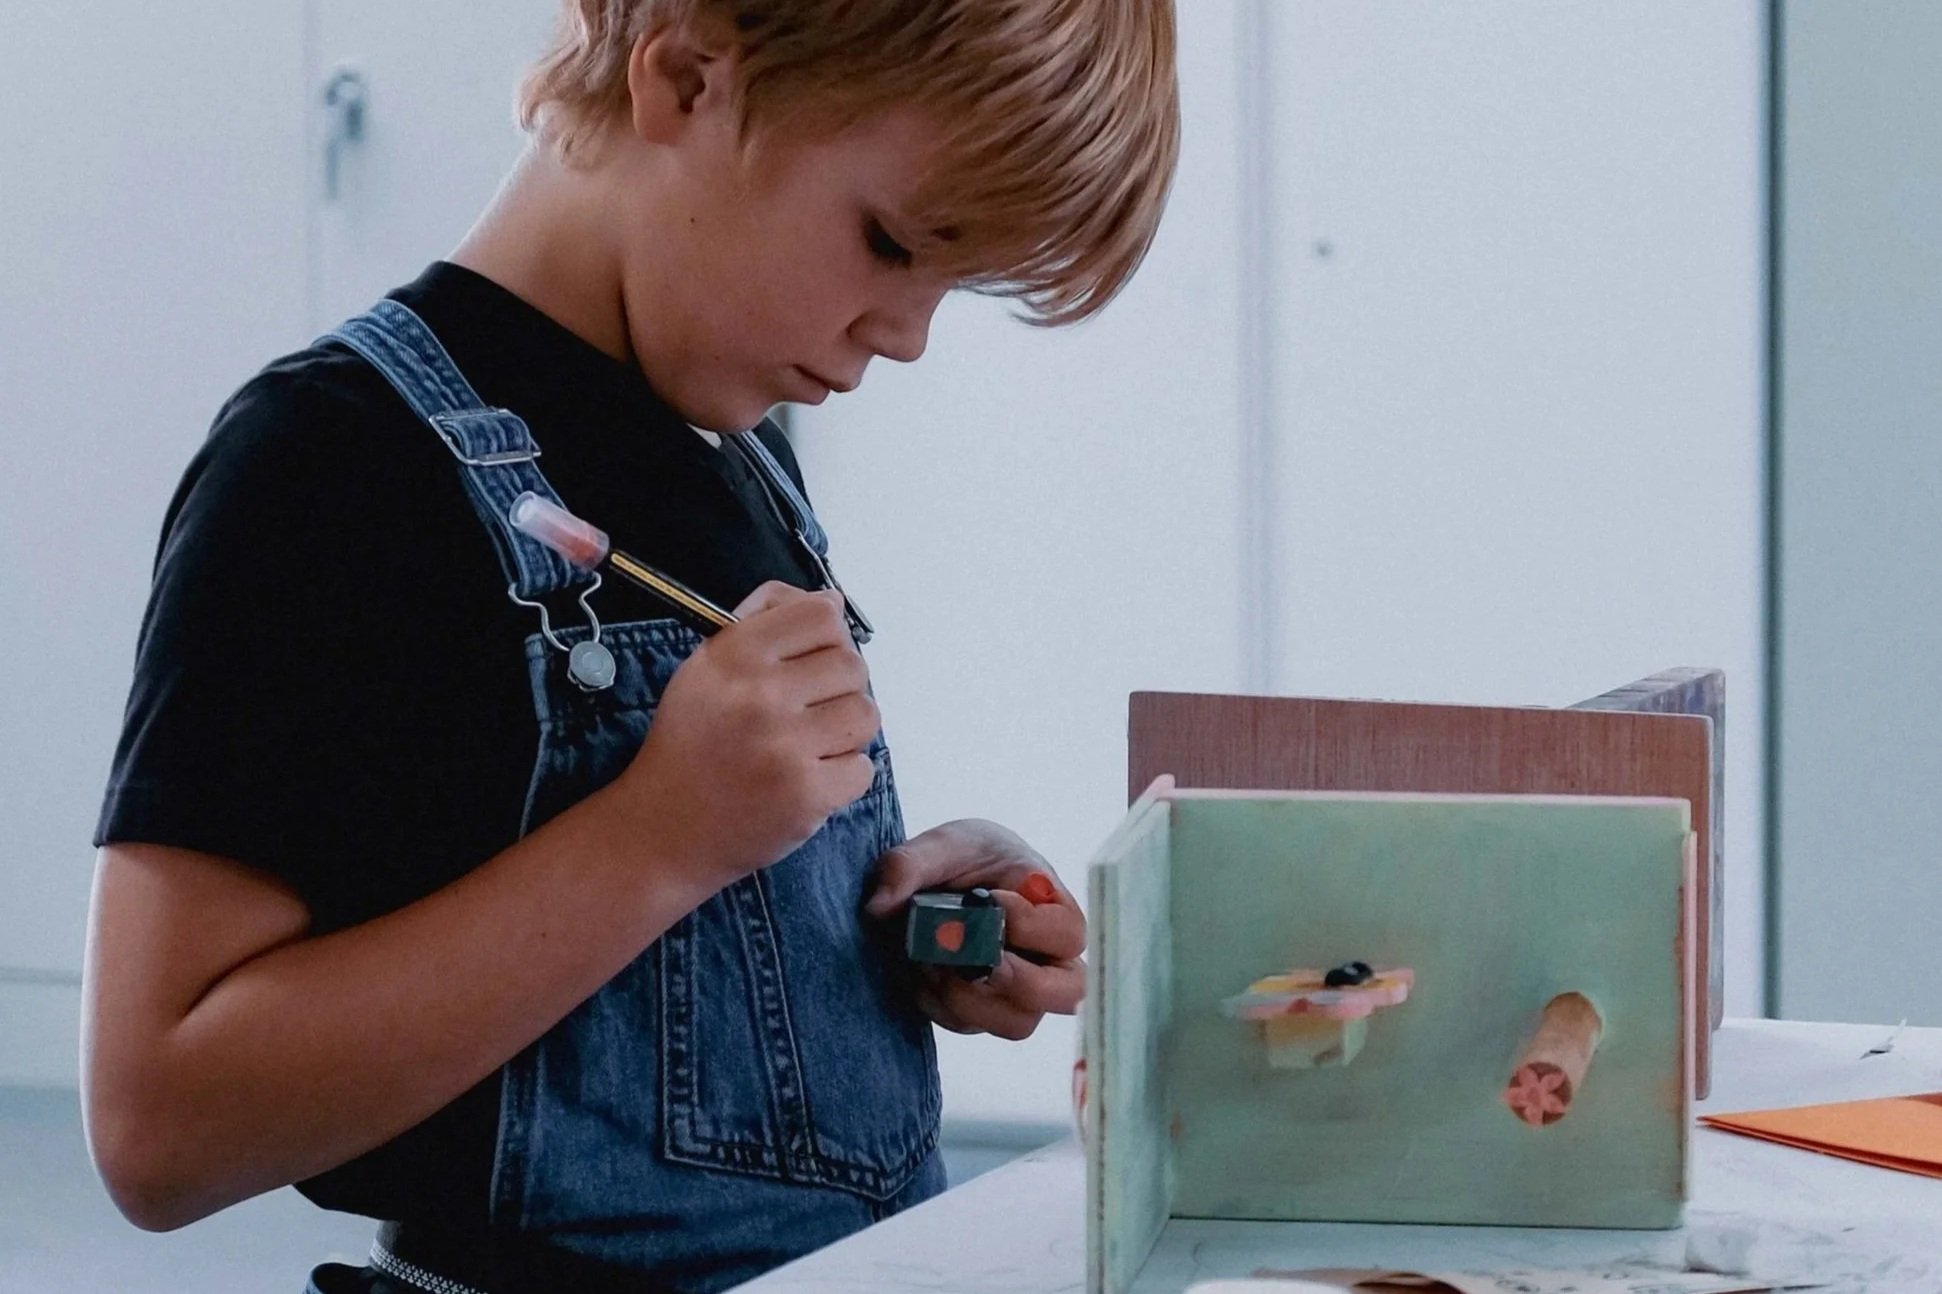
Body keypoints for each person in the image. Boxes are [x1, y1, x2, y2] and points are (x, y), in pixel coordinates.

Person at [81, 2, 1179, 1290]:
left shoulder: (746, 457)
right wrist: (658, 842)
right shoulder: (329, 463)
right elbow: (158, 1127)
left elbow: (677, 971)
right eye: (889, 243)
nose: (907, 335)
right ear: (688, 77)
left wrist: (881, 930)